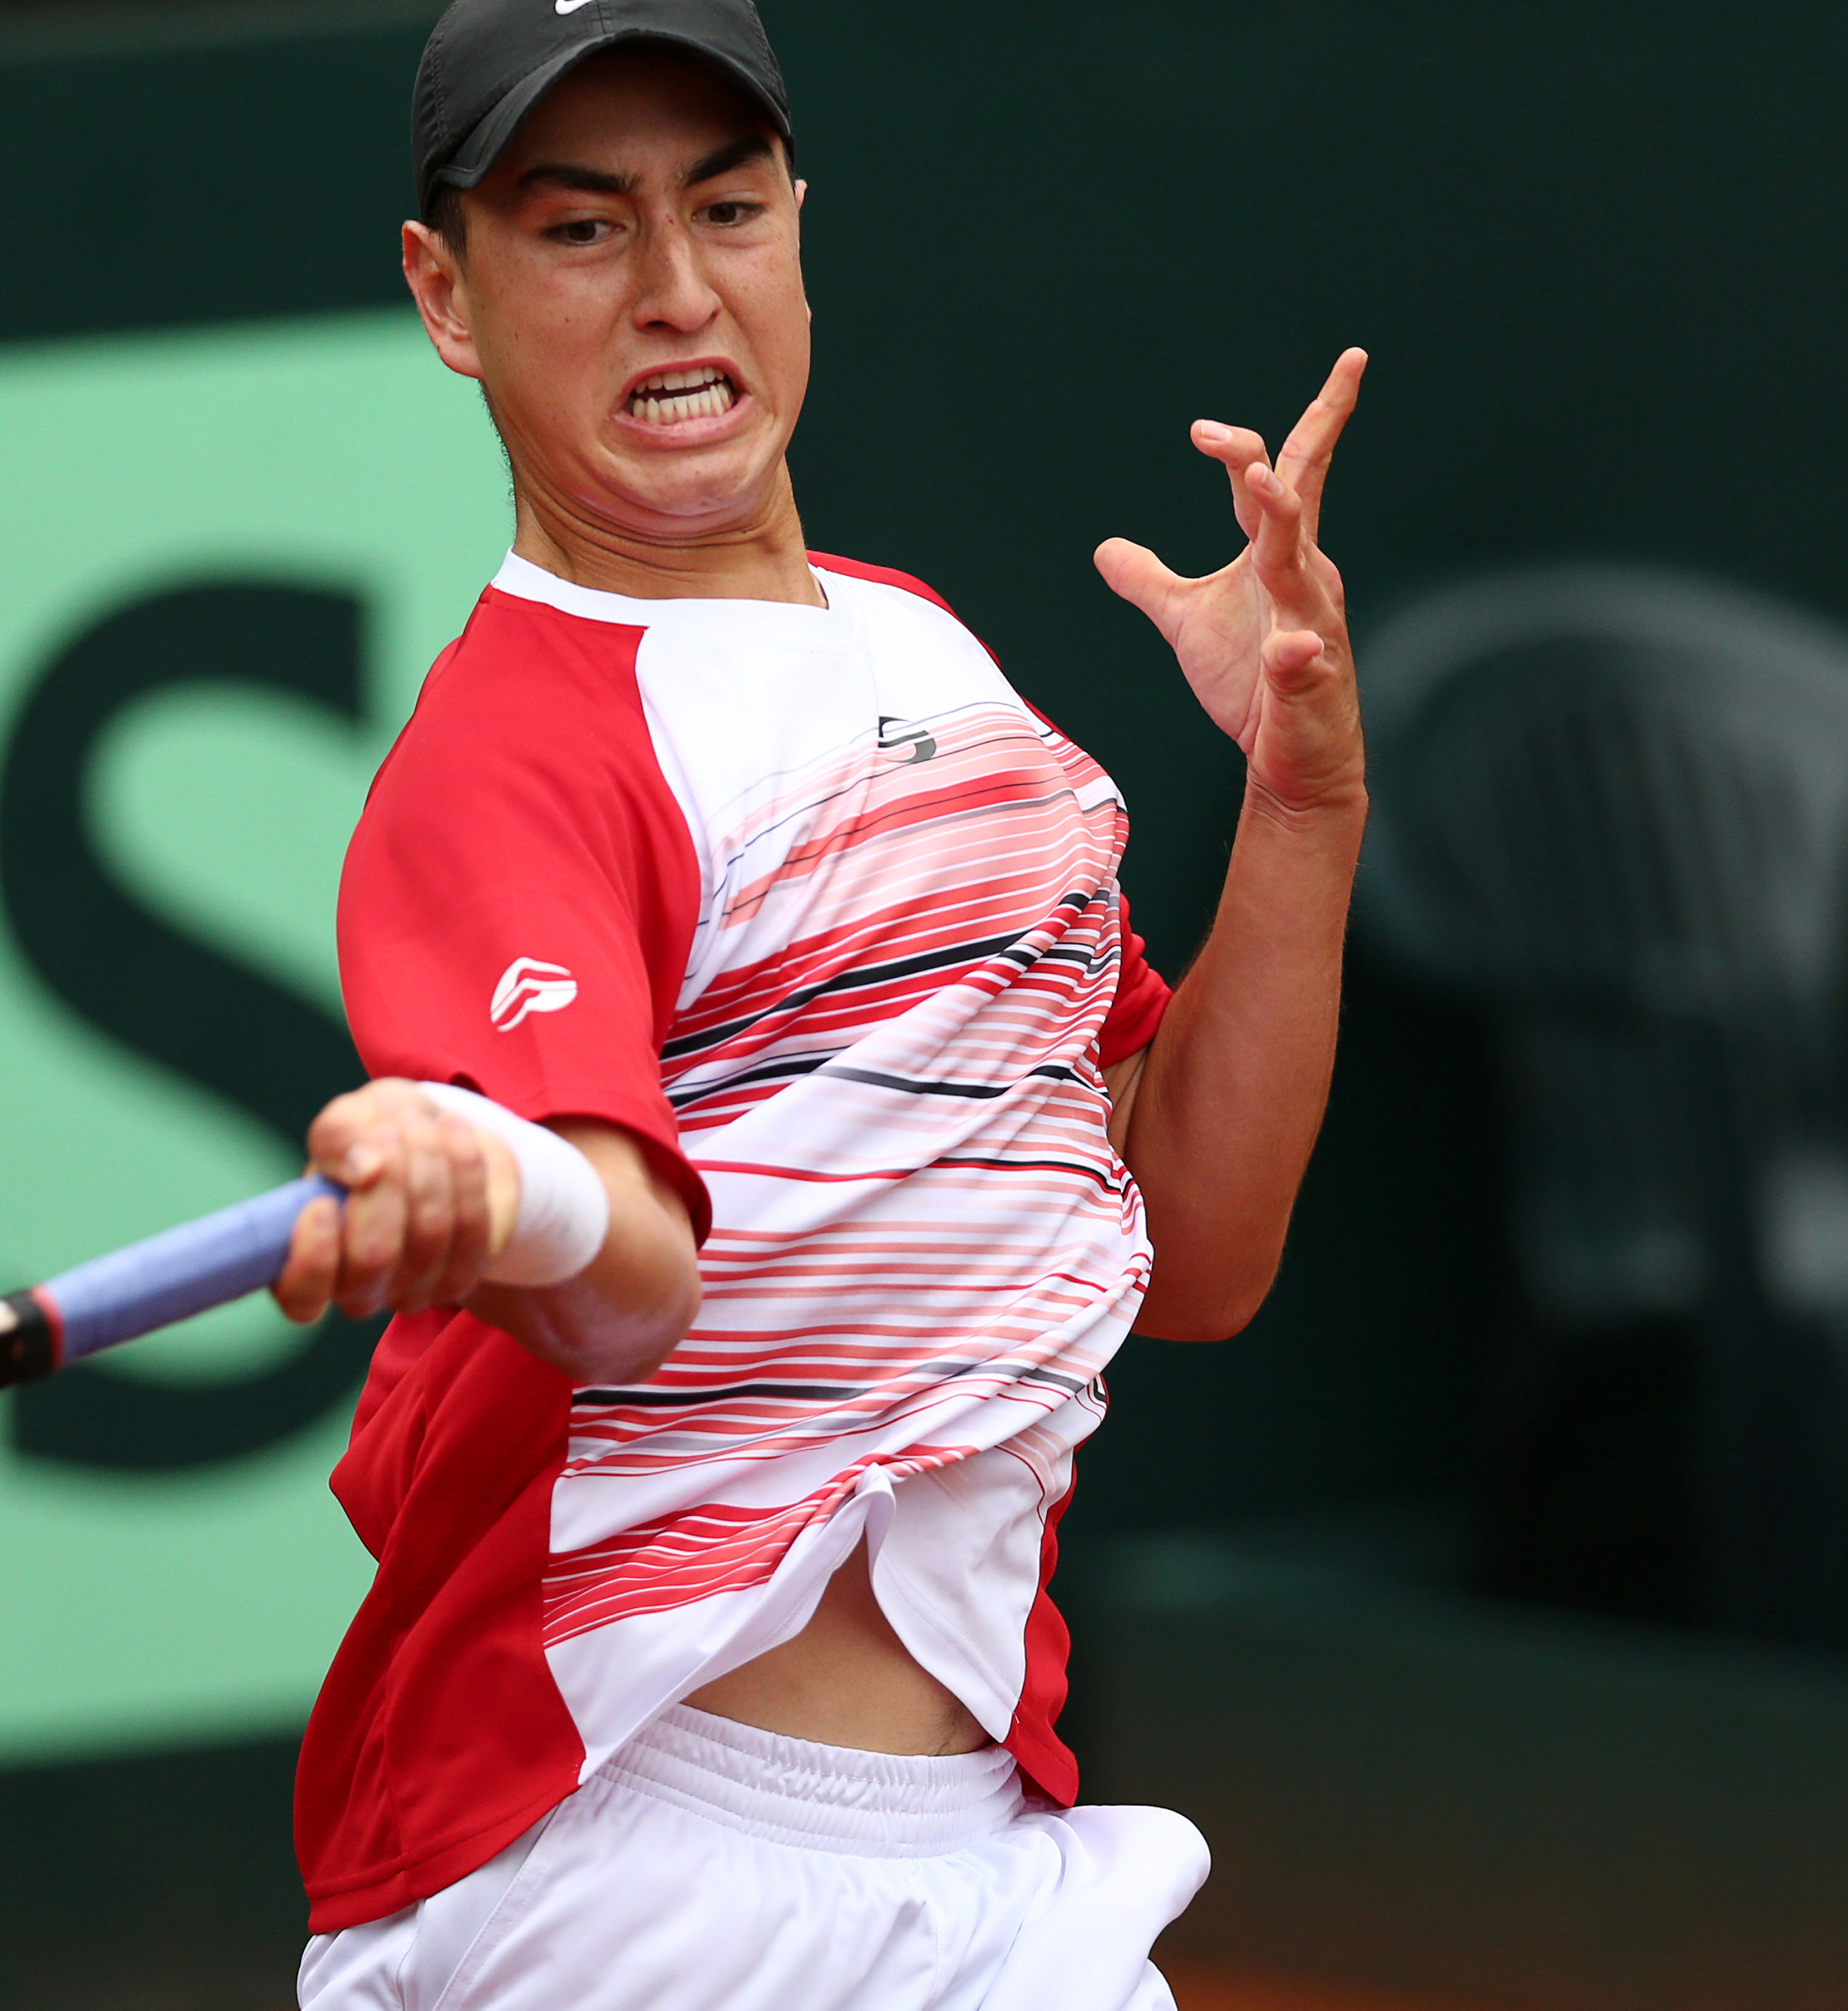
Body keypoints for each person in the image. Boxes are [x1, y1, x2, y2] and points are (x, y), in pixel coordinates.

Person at [273, 3, 1365, 2005]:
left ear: (797, 230)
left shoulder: (919, 650)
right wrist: (498, 1188)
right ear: (447, 291)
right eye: (580, 229)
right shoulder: (507, 756)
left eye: (727, 208)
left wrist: (1302, 807)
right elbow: (621, 1281)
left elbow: (1188, 1244)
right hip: (605, 1874)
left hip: (992, 1872)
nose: (677, 292)